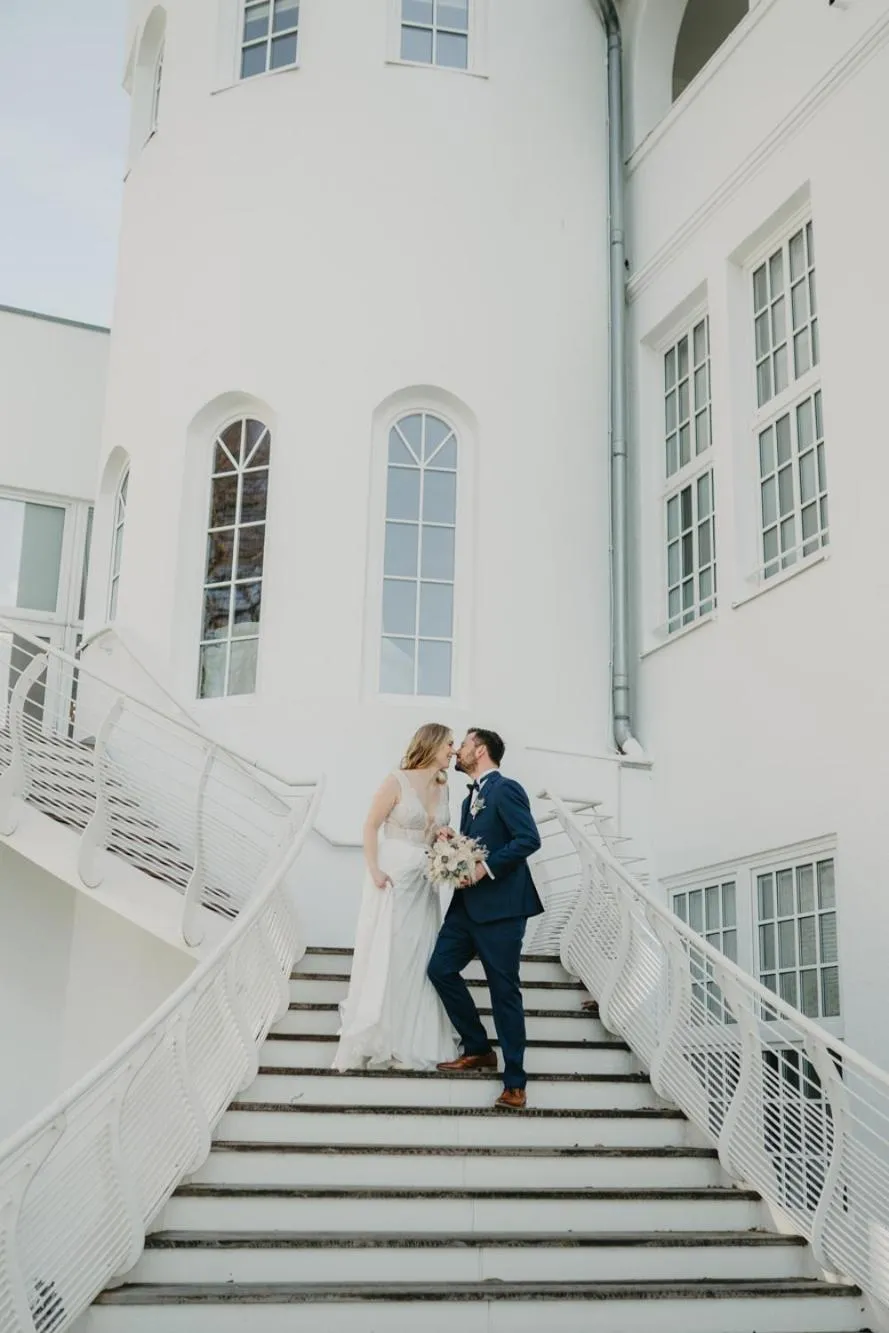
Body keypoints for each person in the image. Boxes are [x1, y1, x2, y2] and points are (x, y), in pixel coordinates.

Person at [332, 723, 458, 1071]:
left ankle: (415, 1036)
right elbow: (370, 825)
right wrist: (373, 869)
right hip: (395, 877)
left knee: (421, 955)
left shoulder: (444, 786)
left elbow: (433, 832)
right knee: (394, 952)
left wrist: (443, 835)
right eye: (449, 743)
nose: (453, 749)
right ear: (432, 744)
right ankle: (384, 1031)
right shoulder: (396, 780)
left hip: (425, 879)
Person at [428, 728, 543, 1109]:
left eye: (463, 744)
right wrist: (450, 846)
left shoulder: (506, 788)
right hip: (466, 908)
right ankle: (478, 1046)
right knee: (440, 969)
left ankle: (515, 1083)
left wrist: (485, 869)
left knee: (503, 992)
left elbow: (527, 839)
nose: (457, 750)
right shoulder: (469, 801)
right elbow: (475, 846)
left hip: (503, 910)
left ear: (480, 749)